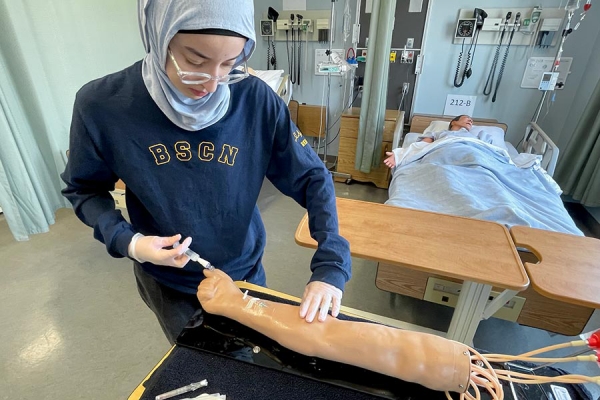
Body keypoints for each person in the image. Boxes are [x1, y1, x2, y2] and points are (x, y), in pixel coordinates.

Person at [61, 0, 351, 344]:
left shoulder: (254, 99)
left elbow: (313, 178)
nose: (212, 84)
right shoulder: (103, 106)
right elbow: (83, 189)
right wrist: (131, 242)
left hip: (244, 271)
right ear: (158, 35)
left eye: (230, 64)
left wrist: (331, 264)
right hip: (169, 282)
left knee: (256, 356)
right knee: (204, 365)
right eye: (195, 62)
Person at [383, 115, 474, 168]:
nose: (470, 120)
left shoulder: (478, 138)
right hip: (444, 155)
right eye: (467, 118)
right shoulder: (439, 134)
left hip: (472, 156)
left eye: (471, 121)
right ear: (453, 122)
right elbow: (421, 146)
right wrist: (399, 154)